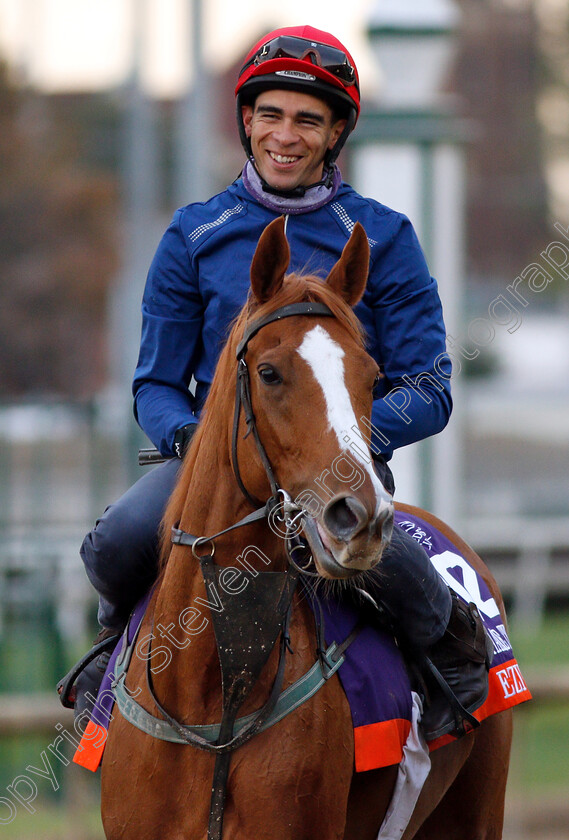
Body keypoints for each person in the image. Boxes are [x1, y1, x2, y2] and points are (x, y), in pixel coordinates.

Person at [67, 25, 491, 742]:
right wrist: (197, 440)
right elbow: (155, 387)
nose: (284, 136)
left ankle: (451, 663)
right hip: (215, 460)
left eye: (306, 120)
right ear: (246, 123)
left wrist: (341, 437)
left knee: (389, 562)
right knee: (117, 542)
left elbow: (429, 387)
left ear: (334, 135)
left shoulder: (383, 237)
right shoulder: (193, 236)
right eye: (270, 115)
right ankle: (112, 663)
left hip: (337, 464)